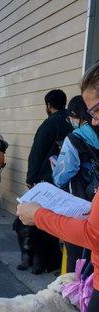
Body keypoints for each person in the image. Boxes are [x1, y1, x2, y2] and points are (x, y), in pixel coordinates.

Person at [18, 61, 99, 312]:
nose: (94, 121)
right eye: (91, 113)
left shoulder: (75, 138)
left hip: (77, 214)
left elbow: (62, 177)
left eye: (98, 110)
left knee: (77, 267)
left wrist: (38, 214)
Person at [52, 95, 99, 272]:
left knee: (75, 253)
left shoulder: (75, 138)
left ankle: (74, 295)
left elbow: (63, 174)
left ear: (76, 114)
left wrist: (56, 168)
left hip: (80, 202)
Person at [26, 89, 73, 188]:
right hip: (70, 177)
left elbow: (37, 152)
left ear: (49, 105)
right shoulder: (73, 120)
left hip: (49, 178)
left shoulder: (49, 124)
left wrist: (30, 178)